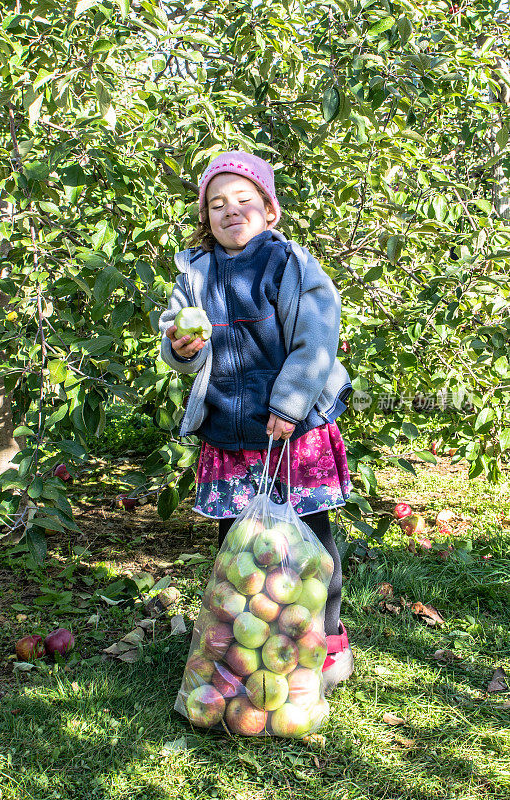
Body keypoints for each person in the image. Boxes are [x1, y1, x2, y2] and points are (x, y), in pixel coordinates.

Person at [159, 151, 354, 692]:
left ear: (270, 211)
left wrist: (289, 404)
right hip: (230, 430)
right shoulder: (193, 274)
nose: (230, 211)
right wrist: (182, 346)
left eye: (245, 200)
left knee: (311, 539)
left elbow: (315, 341)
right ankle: (243, 638)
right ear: (205, 216)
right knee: (238, 544)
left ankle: (326, 636)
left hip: (295, 430)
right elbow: (179, 347)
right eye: (216, 203)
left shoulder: (288, 264)